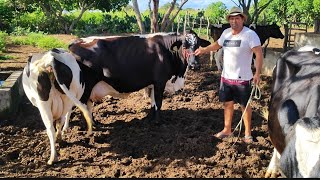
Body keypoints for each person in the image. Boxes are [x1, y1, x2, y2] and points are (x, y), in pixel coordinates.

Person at [194, 6, 263, 143]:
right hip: (226, 78)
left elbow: (259, 54)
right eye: (232, 18)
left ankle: (247, 134)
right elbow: (217, 45)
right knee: (227, 104)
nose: (234, 21)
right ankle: (227, 129)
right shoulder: (226, 33)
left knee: (245, 106)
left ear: (242, 19)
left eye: (237, 18)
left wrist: (257, 73)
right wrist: (204, 50)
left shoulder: (250, 35)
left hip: (243, 78)